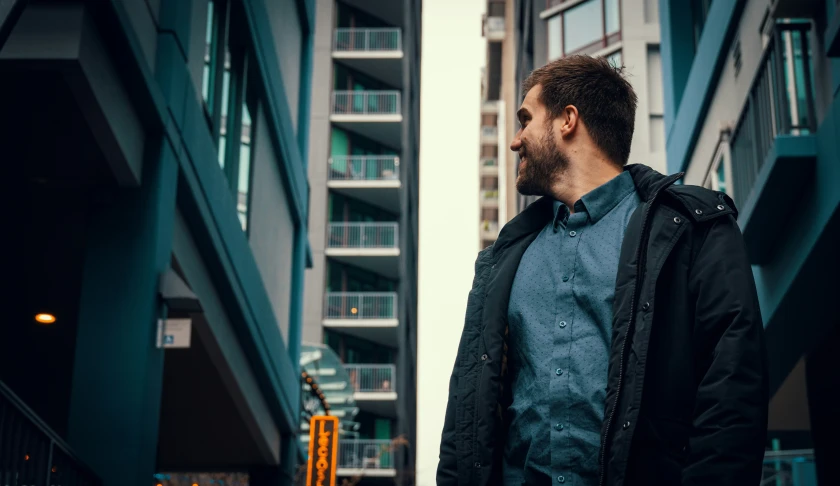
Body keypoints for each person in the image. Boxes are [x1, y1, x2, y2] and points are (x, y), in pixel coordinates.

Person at [437, 55, 768, 486]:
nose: (516, 141)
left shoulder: (692, 230)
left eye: (526, 120)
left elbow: (732, 395)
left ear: (567, 120)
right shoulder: (503, 260)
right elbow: (465, 419)